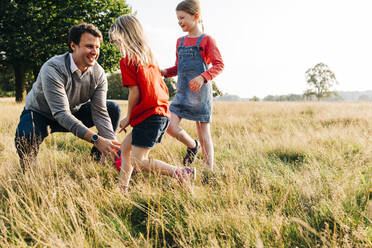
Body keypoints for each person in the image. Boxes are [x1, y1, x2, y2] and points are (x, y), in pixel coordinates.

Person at [15, 23, 121, 170]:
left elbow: (100, 113)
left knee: (112, 109)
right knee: (25, 136)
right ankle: (29, 174)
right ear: (73, 45)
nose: (94, 52)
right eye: (89, 46)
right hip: (40, 114)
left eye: (97, 47)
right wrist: (96, 139)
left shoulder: (99, 73)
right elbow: (61, 113)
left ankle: (95, 163)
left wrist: (115, 150)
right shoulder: (53, 68)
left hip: (72, 112)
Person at [109, 14, 196, 193]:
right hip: (159, 113)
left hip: (149, 115)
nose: (116, 47)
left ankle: (181, 173)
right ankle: (122, 188)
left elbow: (134, 93)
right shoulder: (149, 57)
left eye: (116, 42)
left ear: (123, 37)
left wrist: (127, 117)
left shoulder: (127, 61)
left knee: (138, 161)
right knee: (125, 148)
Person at [161, 0, 224, 171]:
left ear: (196, 16)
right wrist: (163, 72)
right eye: (177, 19)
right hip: (182, 92)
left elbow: (219, 64)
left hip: (200, 94)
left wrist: (203, 77)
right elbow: (178, 67)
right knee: (169, 125)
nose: (180, 22)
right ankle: (192, 145)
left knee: (204, 133)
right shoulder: (180, 42)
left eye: (182, 18)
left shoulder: (207, 40)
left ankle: (208, 170)